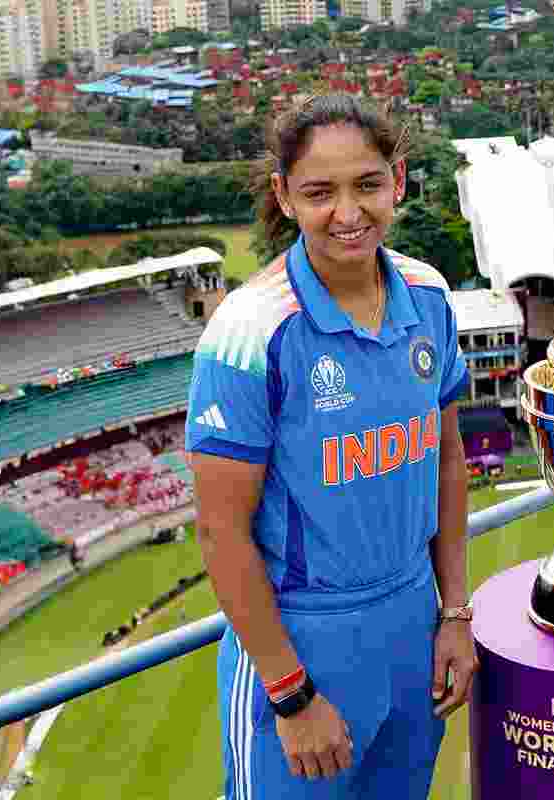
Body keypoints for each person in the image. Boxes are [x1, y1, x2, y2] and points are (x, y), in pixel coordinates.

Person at [185, 94, 476, 800]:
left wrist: (454, 615)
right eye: (320, 192)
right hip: (303, 643)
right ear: (285, 196)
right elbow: (221, 531)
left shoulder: (428, 295)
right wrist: (290, 695)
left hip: (413, 627)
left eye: (367, 184)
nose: (348, 213)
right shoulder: (251, 330)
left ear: (397, 181)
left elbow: (447, 463)